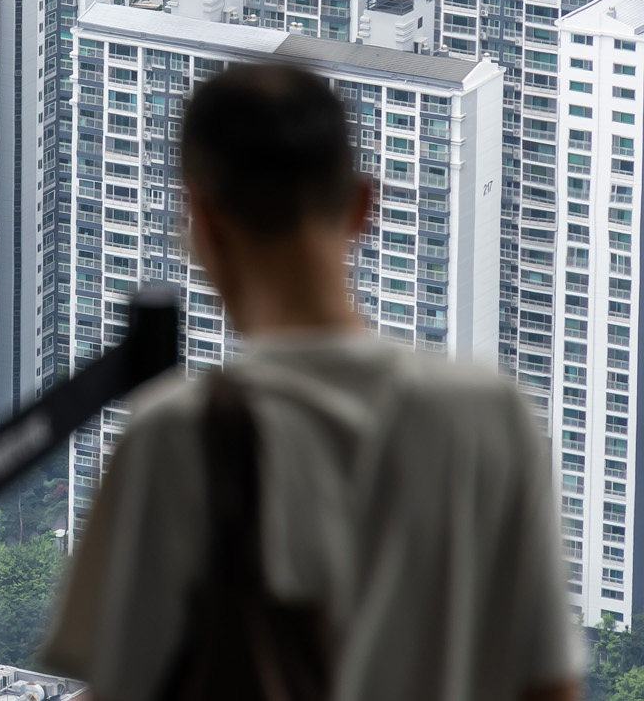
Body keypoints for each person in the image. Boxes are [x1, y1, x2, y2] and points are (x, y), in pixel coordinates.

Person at [42, 62, 581, 701]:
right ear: (363, 205)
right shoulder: (492, 416)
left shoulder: (176, 435)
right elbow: (549, 686)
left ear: (201, 220)